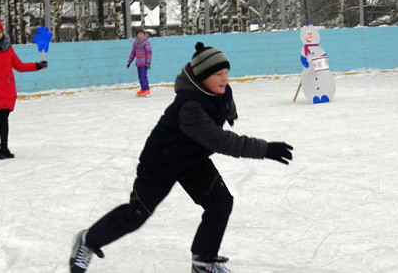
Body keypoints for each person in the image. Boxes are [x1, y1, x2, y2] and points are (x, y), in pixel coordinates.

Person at [70, 42, 294, 273]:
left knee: (220, 202)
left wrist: (231, 114)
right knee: (136, 215)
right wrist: (265, 149)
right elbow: (221, 141)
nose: (224, 79)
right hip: (161, 162)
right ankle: (88, 240)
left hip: (192, 160)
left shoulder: (221, 91)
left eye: (226, 73)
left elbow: (226, 102)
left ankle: (203, 261)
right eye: (218, 74)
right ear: (201, 76)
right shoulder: (189, 107)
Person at [0, 16, 47, 159]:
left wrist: (37, 66)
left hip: (6, 90)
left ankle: (4, 147)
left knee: (4, 120)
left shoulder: (8, 49)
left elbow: (19, 66)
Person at [127, 28, 153, 96]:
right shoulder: (136, 43)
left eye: (142, 33)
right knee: (140, 76)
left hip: (144, 63)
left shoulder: (146, 42)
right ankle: (143, 89)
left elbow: (149, 53)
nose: (141, 35)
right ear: (137, 35)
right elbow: (133, 53)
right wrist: (129, 61)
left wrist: (148, 62)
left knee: (143, 76)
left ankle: (147, 89)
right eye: (139, 34)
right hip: (138, 63)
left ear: (144, 34)